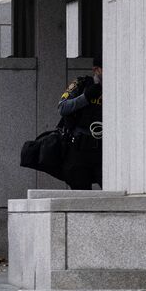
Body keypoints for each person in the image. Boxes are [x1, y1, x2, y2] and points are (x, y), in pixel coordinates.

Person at [58, 56, 103, 190]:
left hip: (104, 149)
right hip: (80, 147)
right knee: (81, 191)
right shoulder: (81, 84)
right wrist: (86, 98)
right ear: (96, 70)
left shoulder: (117, 88)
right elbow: (62, 107)